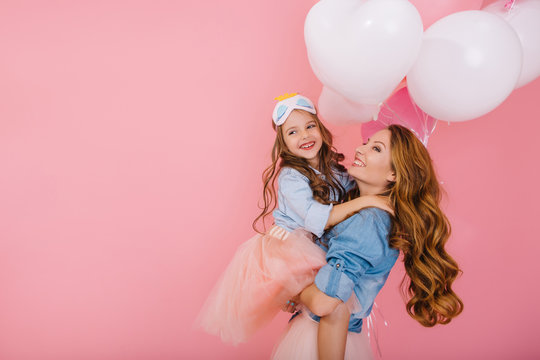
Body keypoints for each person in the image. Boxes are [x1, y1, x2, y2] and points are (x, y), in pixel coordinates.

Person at [197, 93, 389, 349]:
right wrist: (367, 202)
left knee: (325, 302)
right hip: (288, 248)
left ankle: (300, 297)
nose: (305, 136)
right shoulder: (292, 177)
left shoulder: (333, 169)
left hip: (313, 248)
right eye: (293, 132)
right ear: (284, 144)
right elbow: (315, 219)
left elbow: (357, 187)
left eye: (310, 126)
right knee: (328, 305)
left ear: (320, 129)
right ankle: (295, 295)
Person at [272, 125, 464, 360]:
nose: (360, 149)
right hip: (328, 334)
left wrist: (295, 290)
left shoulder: (368, 221)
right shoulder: (362, 213)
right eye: (367, 143)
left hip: (322, 340)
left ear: (393, 174)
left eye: (376, 148)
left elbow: (326, 303)